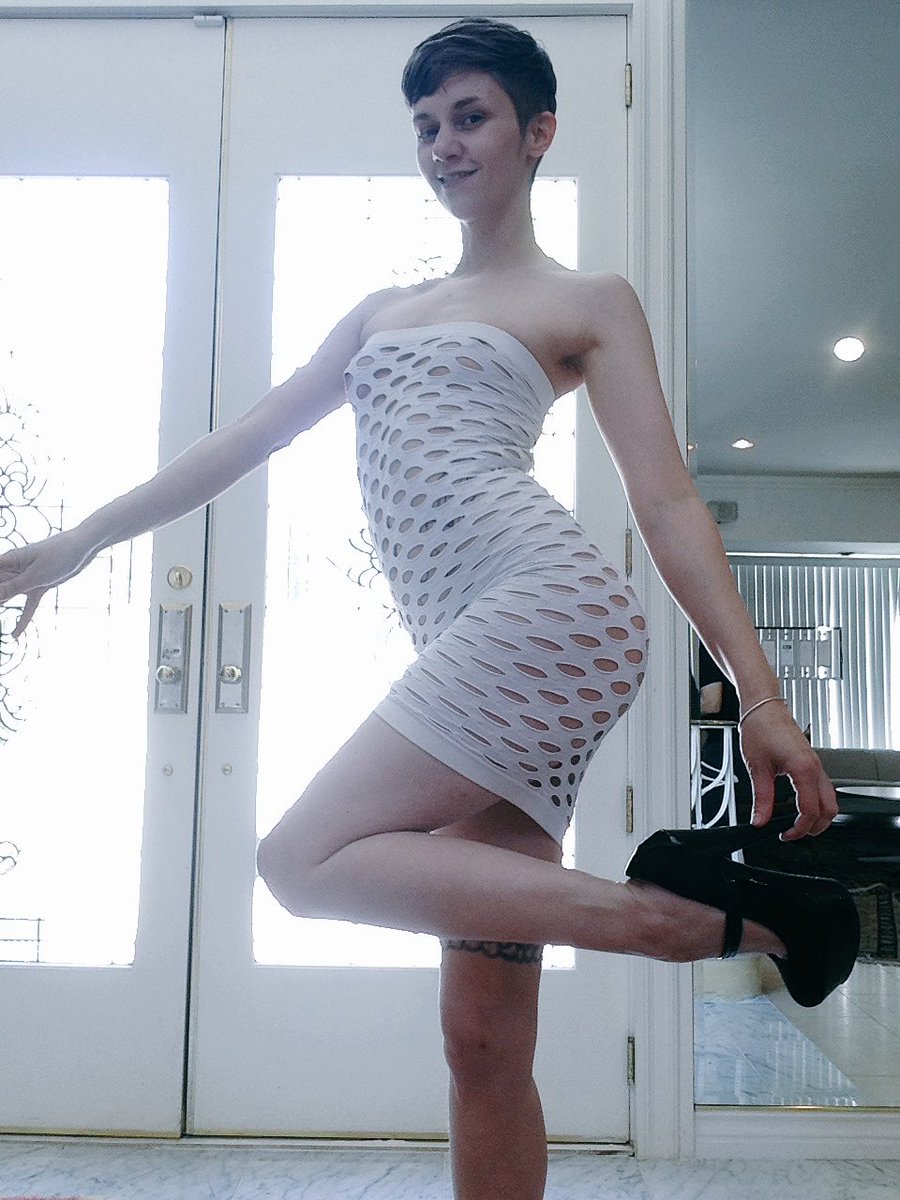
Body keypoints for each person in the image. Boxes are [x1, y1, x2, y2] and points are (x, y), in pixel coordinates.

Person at [0, 19, 858, 1200]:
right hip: (485, 652)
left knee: (300, 860)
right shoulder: (377, 313)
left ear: (536, 132)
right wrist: (81, 539)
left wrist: (759, 697)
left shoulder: (586, 299)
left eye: (469, 117)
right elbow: (244, 437)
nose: (442, 144)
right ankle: (743, 915)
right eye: (425, 126)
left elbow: (666, 503)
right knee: (483, 1043)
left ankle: (686, 923)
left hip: (545, 614)